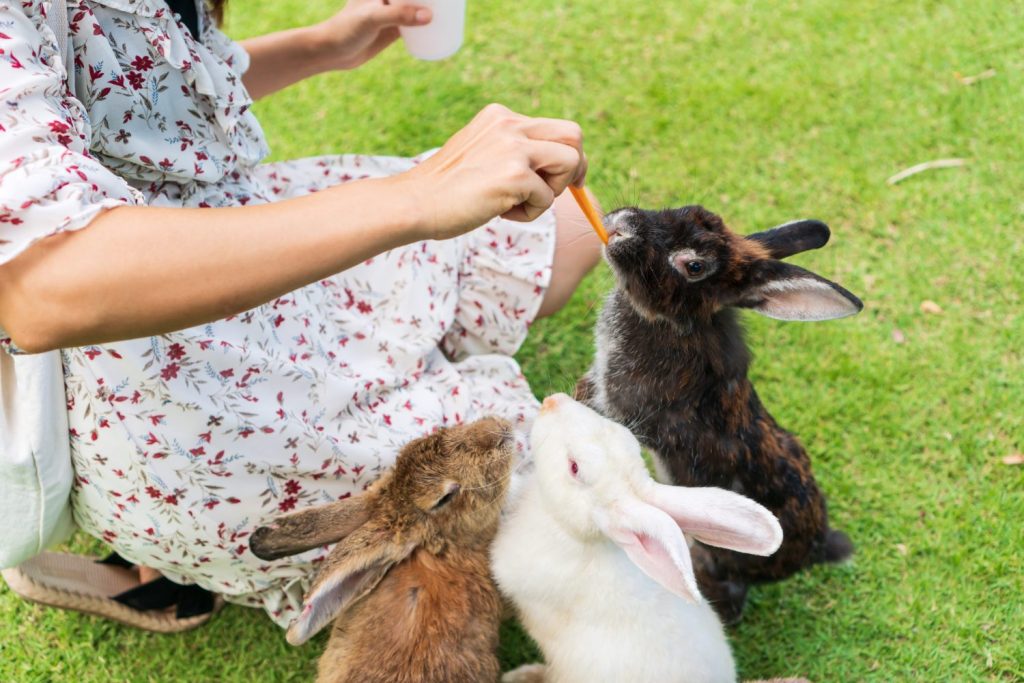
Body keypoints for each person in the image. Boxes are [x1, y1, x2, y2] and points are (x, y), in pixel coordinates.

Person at [0, 0, 599, 630]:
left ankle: (401, 371)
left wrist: (322, 45)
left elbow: (139, 93)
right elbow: (45, 288)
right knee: (554, 507)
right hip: (161, 362)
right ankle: (175, 541)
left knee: (562, 220)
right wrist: (417, 197)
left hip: (245, 233)